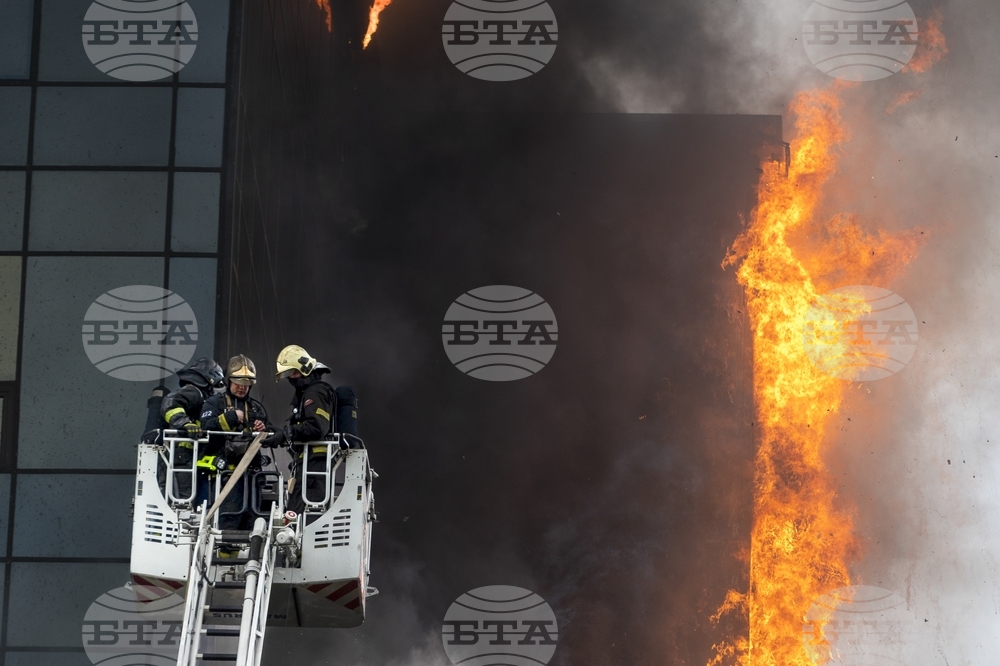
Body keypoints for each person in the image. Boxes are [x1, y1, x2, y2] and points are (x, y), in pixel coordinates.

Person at [263, 345, 337, 515]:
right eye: (289, 375)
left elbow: (317, 427)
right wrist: (281, 432)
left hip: (314, 467)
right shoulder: (309, 392)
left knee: (297, 516)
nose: (291, 378)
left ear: (305, 369)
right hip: (309, 465)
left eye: (293, 373)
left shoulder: (315, 392)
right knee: (295, 515)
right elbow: (302, 426)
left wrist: (287, 434)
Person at [200, 354, 272, 528]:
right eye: (238, 382)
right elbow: (205, 426)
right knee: (228, 521)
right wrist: (229, 418)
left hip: (252, 477)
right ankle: (225, 554)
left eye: (246, 384)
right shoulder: (214, 403)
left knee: (252, 522)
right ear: (228, 380)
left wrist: (263, 428)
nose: (242, 388)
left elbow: (270, 434)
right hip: (226, 477)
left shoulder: (256, 407)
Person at [159, 357, 225, 506]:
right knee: (182, 500)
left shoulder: (198, 394)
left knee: (187, 500)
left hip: (186, 456)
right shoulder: (194, 392)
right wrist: (185, 424)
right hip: (182, 454)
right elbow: (170, 404)